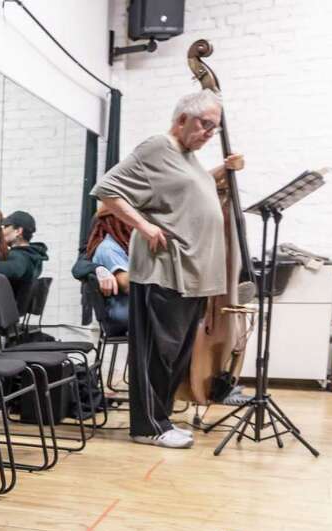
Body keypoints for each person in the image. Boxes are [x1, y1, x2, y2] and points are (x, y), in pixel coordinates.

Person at [91, 88, 244, 448]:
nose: (210, 133)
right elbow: (106, 190)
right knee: (157, 354)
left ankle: (162, 421)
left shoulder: (188, 159)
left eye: (215, 128)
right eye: (205, 125)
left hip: (194, 274)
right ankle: (148, 428)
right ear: (181, 119)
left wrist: (222, 170)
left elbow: (184, 192)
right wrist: (143, 226)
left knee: (174, 355)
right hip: (165, 269)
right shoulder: (156, 147)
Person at [72, 207, 135, 337]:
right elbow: (128, 285)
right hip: (120, 312)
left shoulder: (120, 246)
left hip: (124, 308)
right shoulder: (108, 248)